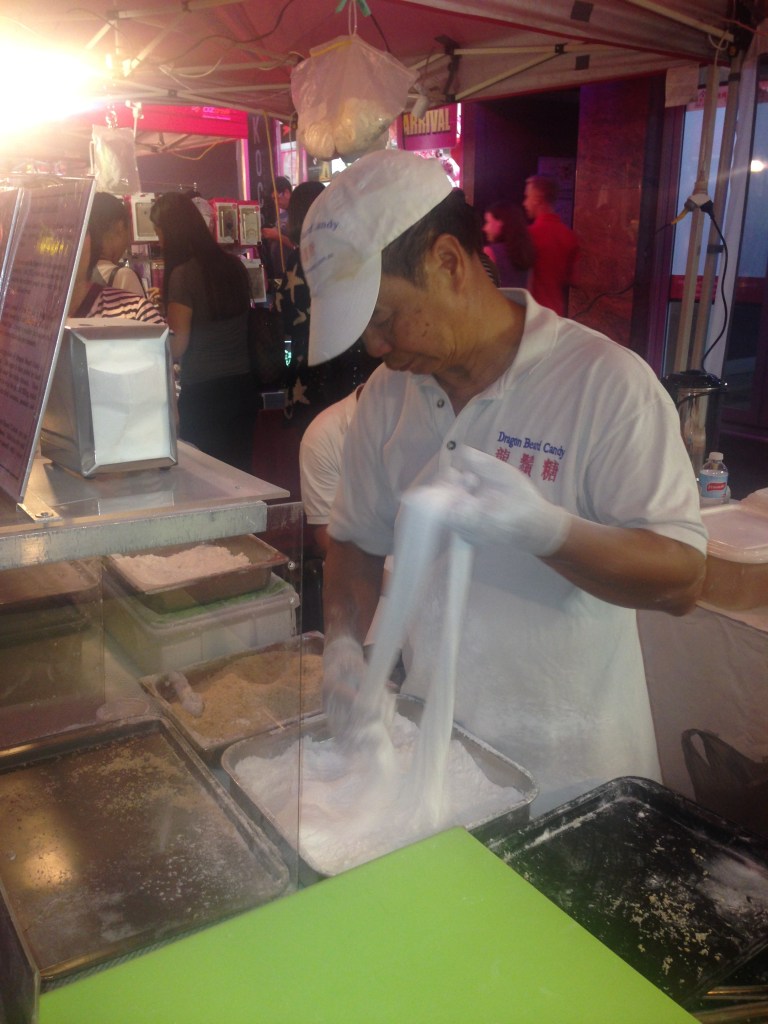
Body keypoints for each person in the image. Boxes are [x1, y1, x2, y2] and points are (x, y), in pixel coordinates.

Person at [301, 148, 707, 816]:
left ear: (448, 263)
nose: (375, 347)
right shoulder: (388, 395)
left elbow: (682, 581)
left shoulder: (606, 384)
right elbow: (355, 541)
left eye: (384, 318)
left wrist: (547, 531)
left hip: (577, 776)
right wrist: (345, 643)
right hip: (437, 761)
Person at [149, 192, 254, 473]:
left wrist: (155, 332)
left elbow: (178, 345)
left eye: (160, 233)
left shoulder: (183, 275)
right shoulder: (234, 266)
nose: (159, 242)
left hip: (204, 394)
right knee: (241, 477)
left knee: (206, 480)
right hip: (243, 388)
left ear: (172, 232)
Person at [523, 175, 580, 316]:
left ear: (537, 198)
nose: (524, 203)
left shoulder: (528, 235)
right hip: (556, 313)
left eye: (527, 197)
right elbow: (574, 279)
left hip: (531, 313)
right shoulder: (570, 236)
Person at [87, 192, 146, 296]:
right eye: (128, 232)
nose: (128, 242)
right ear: (120, 228)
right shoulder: (123, 277)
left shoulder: (78, 275)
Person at [482, 201, 535, 288]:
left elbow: (482, 289)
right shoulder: (527, 253)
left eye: (487, 222)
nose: (484, 228)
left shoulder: (490, 252)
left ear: (500, 222)